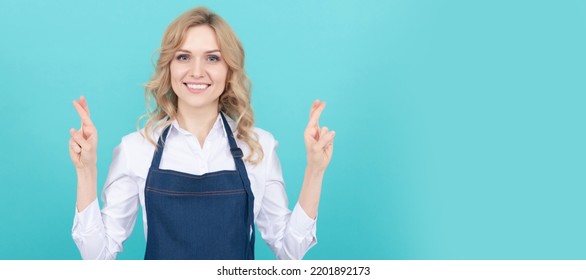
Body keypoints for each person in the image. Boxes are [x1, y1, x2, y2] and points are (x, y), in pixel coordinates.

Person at [68, 6, 335, 260]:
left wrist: (315, 169)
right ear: (169, 67)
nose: (197, 72)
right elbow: (97, 258)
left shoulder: (258, 146)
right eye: (183, 57)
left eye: (212, 58)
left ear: (229, 70)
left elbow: (290, 253)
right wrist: (86, 170)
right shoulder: (136, 148)